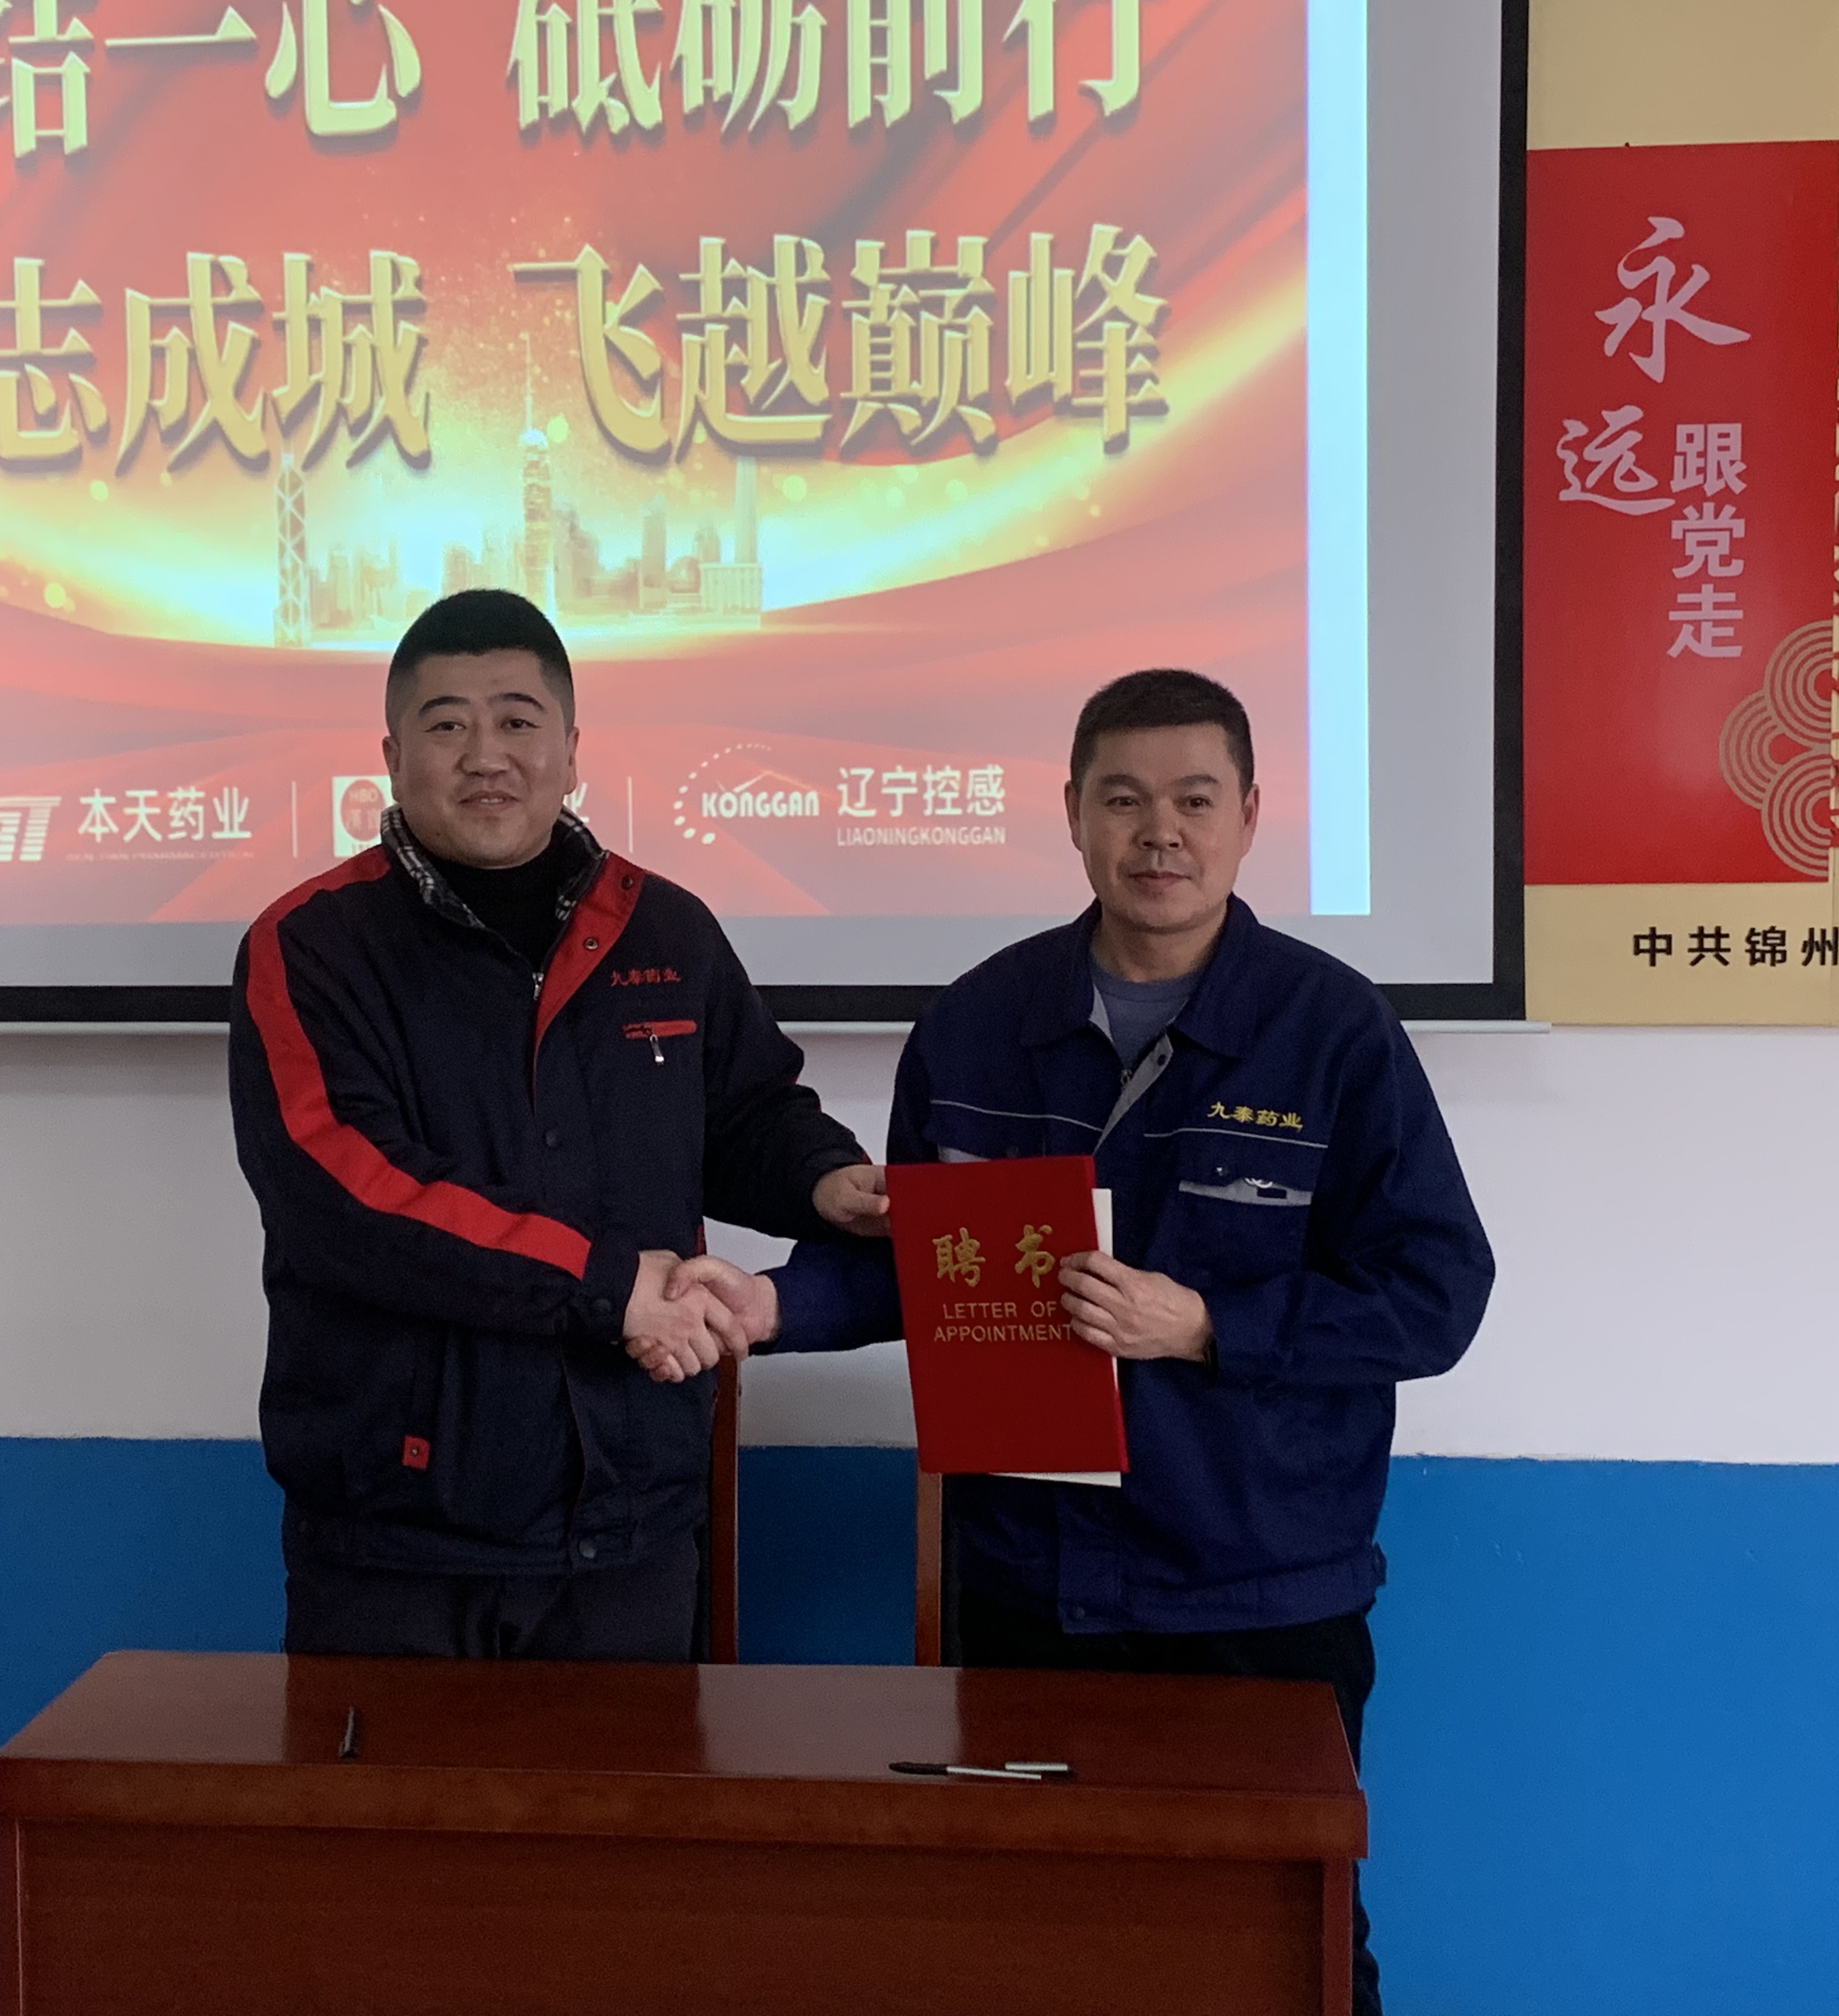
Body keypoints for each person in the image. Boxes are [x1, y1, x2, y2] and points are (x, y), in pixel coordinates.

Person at [642, 669, 1492, 2016]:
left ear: (1250, 816)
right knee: (1037, 1936)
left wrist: (1206, 1326)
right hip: (1027, 1586)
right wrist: (774, 1307)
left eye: (1195, 801)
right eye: (1124, 800)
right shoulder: (980, 1024)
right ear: (1074, 814)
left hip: (1255, 1595)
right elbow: (926, 1265)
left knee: (1288, 1939)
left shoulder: (1334, 1033)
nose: (1161, 834)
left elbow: (1436, 1293)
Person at [229, 589, 889, 1663]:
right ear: (392, 757)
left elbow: (745, 1114)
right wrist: (607, 1284)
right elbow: (345, 1195)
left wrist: (822, 1180)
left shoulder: (664, 928)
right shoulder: (311, 946)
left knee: (631, 1781)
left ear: (573, 751)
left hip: (632, 1515)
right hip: (399, 1536)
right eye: (447, 724)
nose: (486, 754)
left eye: (517, 721)